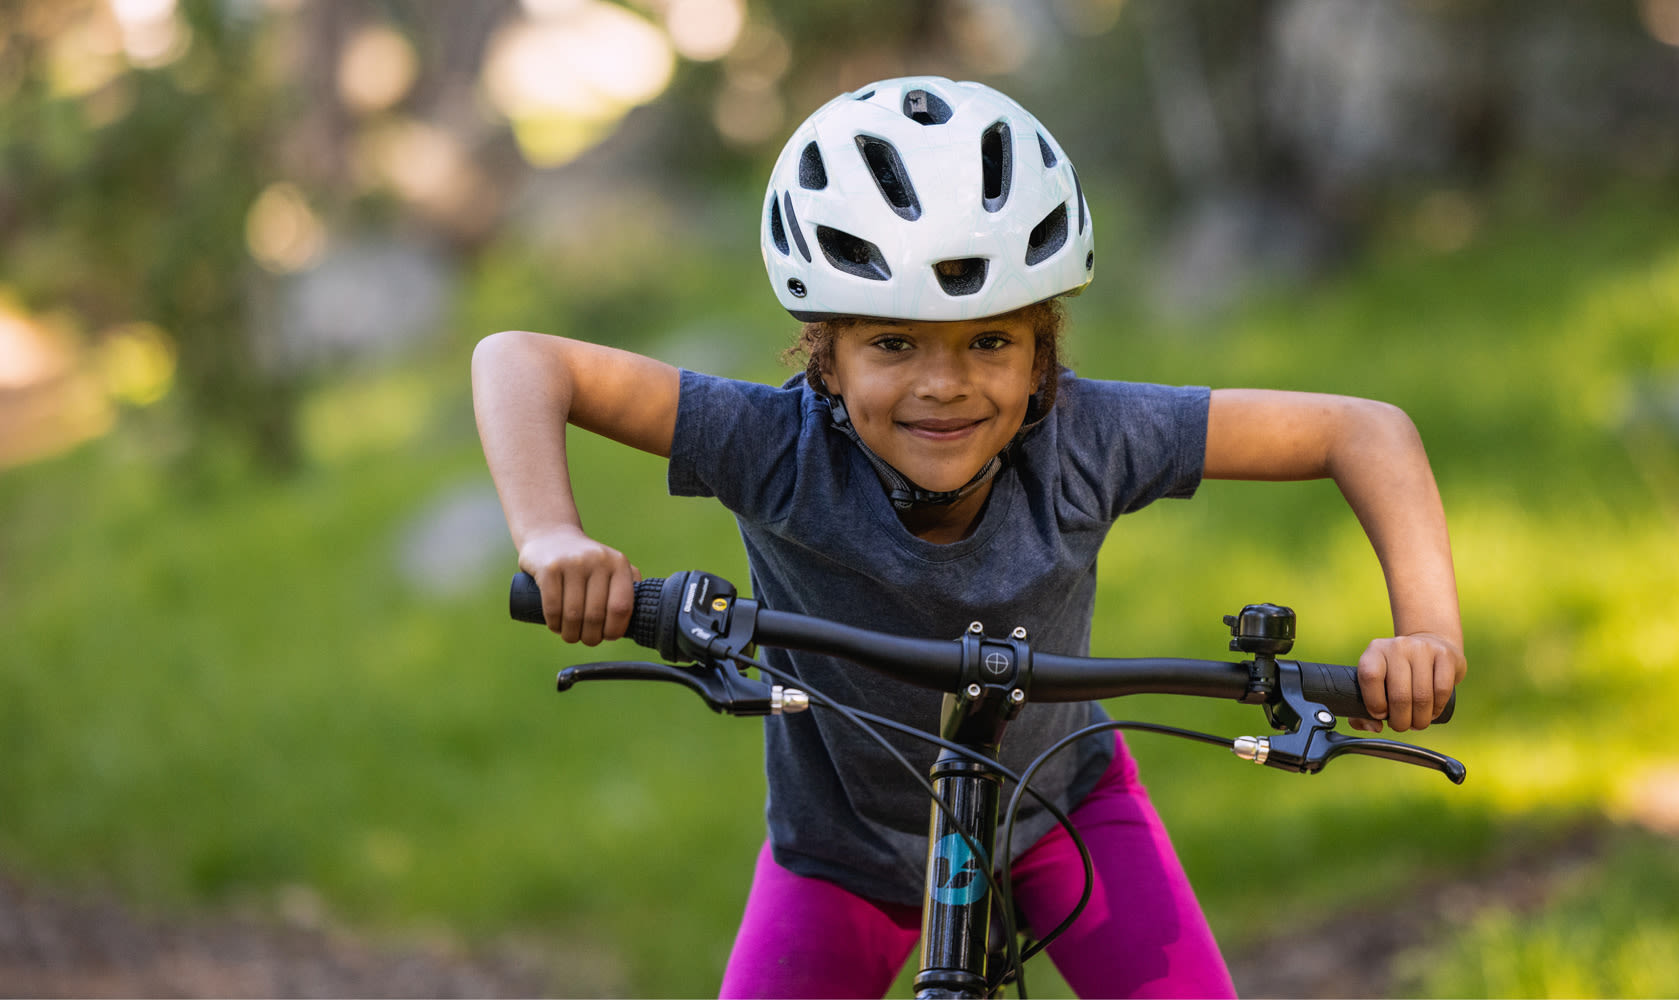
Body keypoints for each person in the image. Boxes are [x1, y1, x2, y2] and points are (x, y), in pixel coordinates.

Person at [472, 76, 1465, 999]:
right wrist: (552, 534)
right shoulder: (774, 446)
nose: (943, 384)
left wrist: (1426, 633)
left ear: (1042, 357)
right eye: (893, 342)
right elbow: (519, 359)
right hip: (844, 849)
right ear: (826, 358)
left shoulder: (1088, 436)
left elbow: (1360, 430)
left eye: (990, 339)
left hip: (1063, 809)